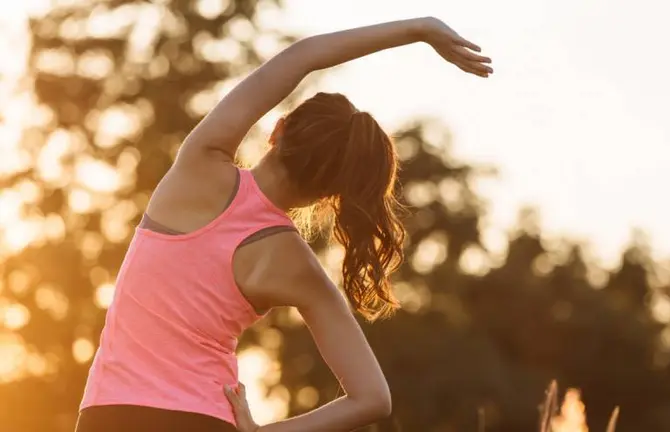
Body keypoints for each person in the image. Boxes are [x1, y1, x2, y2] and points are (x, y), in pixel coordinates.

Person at [75, 16, 492, 432]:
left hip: (110, 415)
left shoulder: (200, 165)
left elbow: (303, 56)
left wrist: (418, 30)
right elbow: (373, 398)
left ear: (278, 129)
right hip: (205, 420)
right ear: (331, 194)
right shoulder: (298, 266)